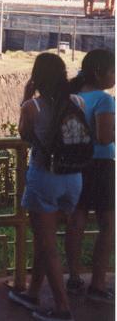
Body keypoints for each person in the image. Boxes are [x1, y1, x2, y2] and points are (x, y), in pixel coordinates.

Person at [9, 52, 86, 321]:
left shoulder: (33, 107)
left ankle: (62, 308)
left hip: (45, 178)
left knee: (47, 242)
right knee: (46, 238)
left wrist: (25, 97)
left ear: (37, 78)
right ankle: (32, 293)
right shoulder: (77, 101)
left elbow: (25, 135)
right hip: (74, 177)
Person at [65, 48, 115, 304]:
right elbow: (105, 138)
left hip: (76, 163)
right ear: (99, 73)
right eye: (112, 71)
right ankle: (98, 282)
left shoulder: (72, 96)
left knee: (76, 221)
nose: (115, 76)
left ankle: (73, 278)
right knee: (108, 225)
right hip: (101, 165)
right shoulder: (104, 100)